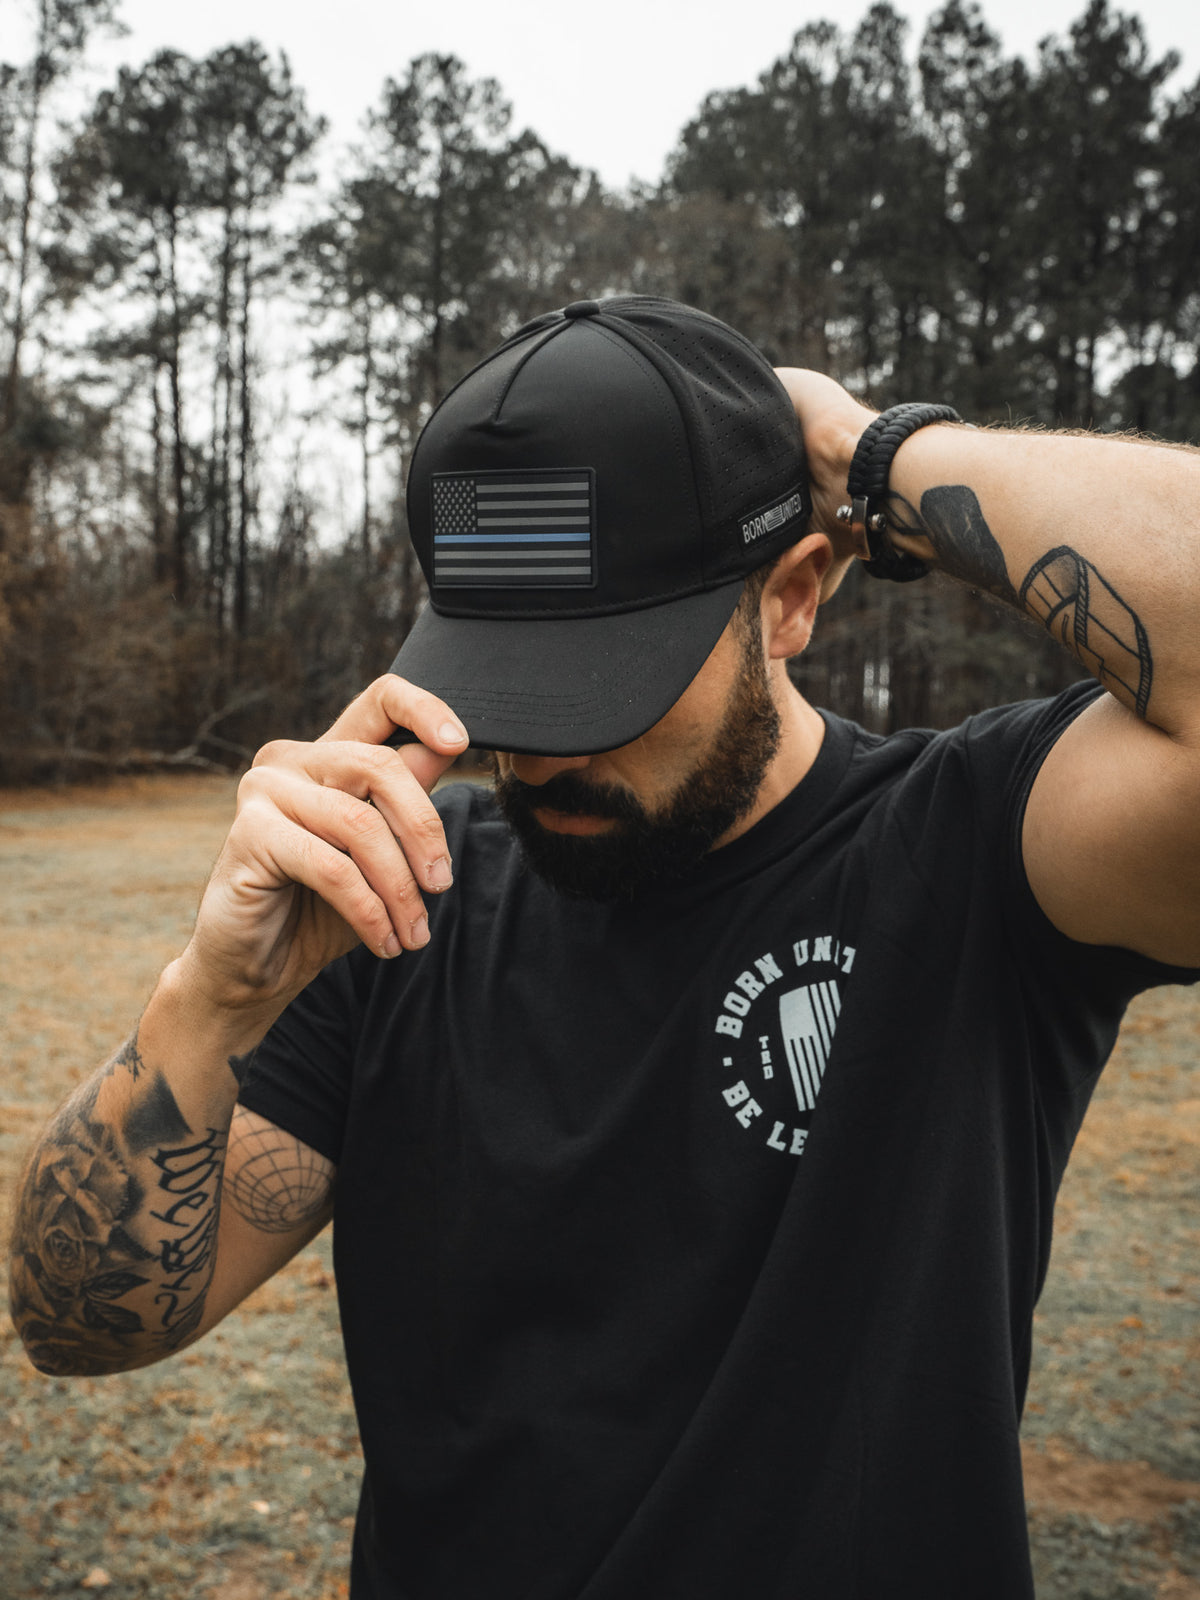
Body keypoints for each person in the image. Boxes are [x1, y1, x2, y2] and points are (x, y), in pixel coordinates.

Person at [8, 295, 1199, 1599]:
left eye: (608, 676)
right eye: (506, 677)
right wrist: (209, 1005)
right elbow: (76, 1325)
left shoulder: (974, 851)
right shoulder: (396, 902)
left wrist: (870, 450)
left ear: (791, 597)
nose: (548, 748)